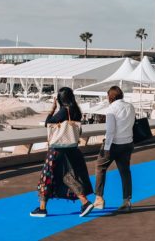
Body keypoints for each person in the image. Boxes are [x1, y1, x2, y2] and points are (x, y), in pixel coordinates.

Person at [30, 87, 93, 218]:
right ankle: (85, 202)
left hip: (57, 149)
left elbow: (48, 123)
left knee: (46, 176)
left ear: (60, 99)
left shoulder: (64, 111)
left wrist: (52, 109)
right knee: (68, 176)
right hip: (72, 148)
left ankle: (42, 208)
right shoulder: (76, 111)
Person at [93, 86, 135, 213]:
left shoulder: (111, 109)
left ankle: (99, 198)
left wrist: (106, 148)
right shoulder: (130, 106)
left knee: (100, 167)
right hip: (128, 142)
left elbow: (110, 130)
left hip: (114, 143)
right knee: (125, 172)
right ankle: (126, 201)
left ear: (110, 97)